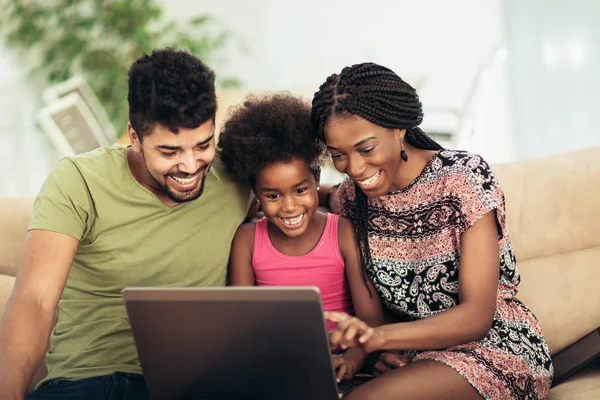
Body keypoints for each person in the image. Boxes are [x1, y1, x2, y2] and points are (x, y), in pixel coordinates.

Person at [0, 49, 250, 400]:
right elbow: (35, 302)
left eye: (203, 145)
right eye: (169, 151)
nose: (191, 165)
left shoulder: (238, 176)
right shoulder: (79, 180)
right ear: (134, 136)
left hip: (193, 386)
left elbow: (300, 196)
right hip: (91, 384)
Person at [312, 62, 554, 400]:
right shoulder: (354, 198)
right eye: (338, 155)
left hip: (495, 348)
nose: (354, 168)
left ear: (398, 129)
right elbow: (313, 195)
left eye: (366, 149)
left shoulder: (463, 180)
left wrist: (379, 339)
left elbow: (476, 317)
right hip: (417, 355)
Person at [220, 93, 384, 383]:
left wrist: (350, 362)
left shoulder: (342, 231)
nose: (290, 207)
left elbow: (370, 320)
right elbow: (239, 323)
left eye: (300, 190)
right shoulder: (247, 239)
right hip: (275, 366)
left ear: (316, 180)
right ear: (255, 192)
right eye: (272, 195)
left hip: (342, 368)